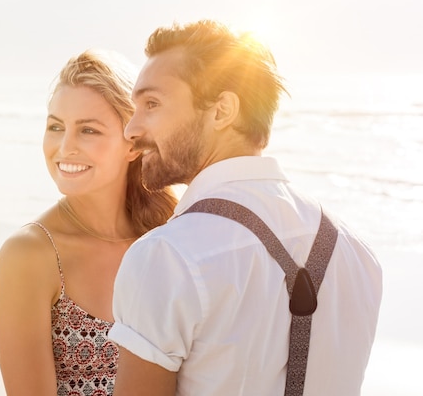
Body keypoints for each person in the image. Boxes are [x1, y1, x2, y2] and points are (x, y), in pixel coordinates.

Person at [108, 20, 383, 396]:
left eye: (152, 104)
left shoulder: (166, 257)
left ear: (222, 111)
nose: (131, 129)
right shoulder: (357, 254)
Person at [0, 50, 177, 396]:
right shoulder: (30, 255)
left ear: (133, 144)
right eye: (56, 127)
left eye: (88, 130)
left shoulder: (168, 237)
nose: (64, 147)